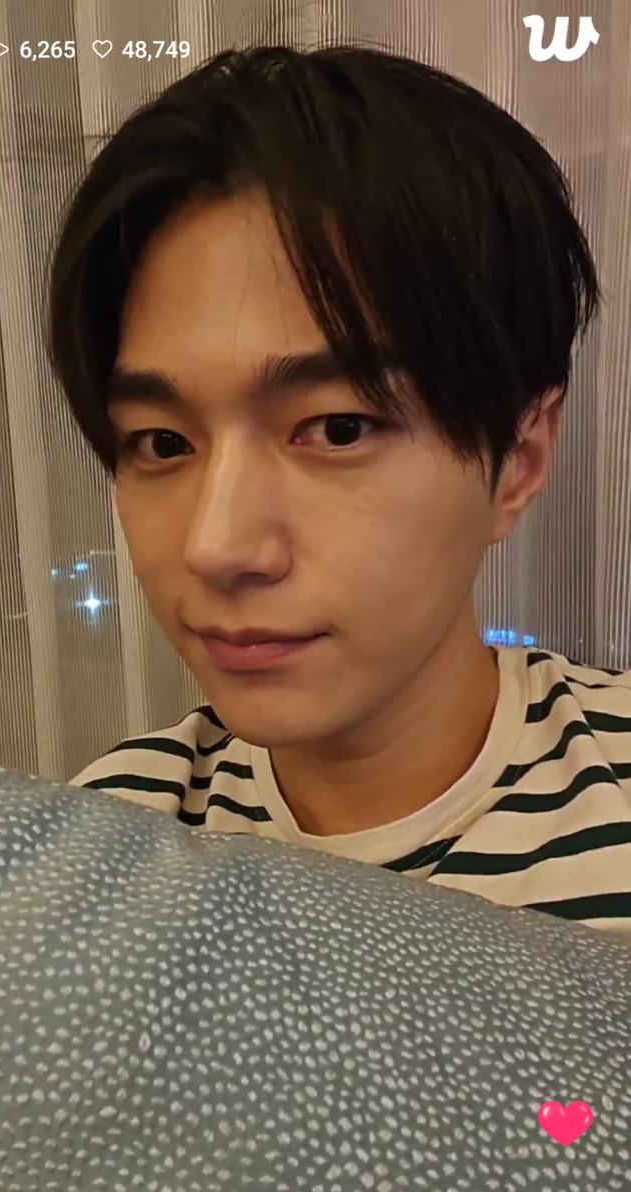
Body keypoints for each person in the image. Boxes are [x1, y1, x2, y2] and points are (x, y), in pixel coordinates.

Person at [49, 44, 631, 934]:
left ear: (517, 460)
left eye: (337, 428)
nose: (217, 547)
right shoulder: (96, 850)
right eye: (164, 442)